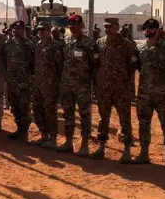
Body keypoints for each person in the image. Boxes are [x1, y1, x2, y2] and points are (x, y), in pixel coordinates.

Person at [135, 18, 165, 168]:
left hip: (163, 95)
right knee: (143, 124)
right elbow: (139, 67)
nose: (147, 30)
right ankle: (144, 153)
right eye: (145, 28)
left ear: (156, 30)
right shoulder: (141, 48)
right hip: (144, 94)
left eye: (150, 28)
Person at [92, 17, 137, 163]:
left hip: (121, 89)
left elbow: (132, 67)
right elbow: (96, 64)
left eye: (110, 26)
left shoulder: (127, 45)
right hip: (104, 88)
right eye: (106, 26)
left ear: (117, 27)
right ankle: (101, 147)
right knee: (103, 118)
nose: (108, 29)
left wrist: (125, 82)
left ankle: (127, 150)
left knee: (125, 119)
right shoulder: (100, 43)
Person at [57, 14, 99, 156]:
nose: (73, 27)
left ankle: (84, 144)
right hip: (67, 84)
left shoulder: (89, 43)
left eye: (75, 24)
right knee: (68, 114)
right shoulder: (66, 41)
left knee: (84, 115)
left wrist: (92, 84)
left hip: (83, 86)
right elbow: (62, 61)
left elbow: (96, 65)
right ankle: (68, 142)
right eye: (70, 24)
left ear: (81, 25)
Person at [30, 24, 64, 148]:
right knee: (37, 109)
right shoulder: (38, 45)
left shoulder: (55, 46)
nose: (40, 31)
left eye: (42, 29)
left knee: (50, 111)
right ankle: (44, 135)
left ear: (49, 31)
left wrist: (59, 83)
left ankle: (53, 138)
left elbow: (60, 66)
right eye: (38, 29)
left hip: (50, 84)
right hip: (38, 83)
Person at [3, 20, 35, 142]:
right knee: (14, 107)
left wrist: (29, 79)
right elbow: (4, 60)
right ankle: (19, 129)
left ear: (23, 30)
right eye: (14, 29)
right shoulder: (8, 44)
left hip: (23, 82)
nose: (16, 31)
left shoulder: (28, 45)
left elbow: (33, 64)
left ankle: (24, 132)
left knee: (24, 107)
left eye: (19, 28)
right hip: (11, 81)